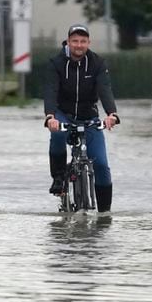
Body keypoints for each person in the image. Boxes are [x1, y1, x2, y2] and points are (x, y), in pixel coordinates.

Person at [43, 24, 120, 212]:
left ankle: (104, 213)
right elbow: (51, 91)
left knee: (101, 164)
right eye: (75, 41)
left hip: (89, 117)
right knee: (58, 136)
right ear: (68, 42)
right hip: (63, 114)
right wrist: (50, 116)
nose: (79, 45)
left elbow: (105, 90)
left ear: (88, 43)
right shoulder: (56, 63)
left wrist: (112, 113)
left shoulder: (98, 63)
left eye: (83, 41)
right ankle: (59, 178)